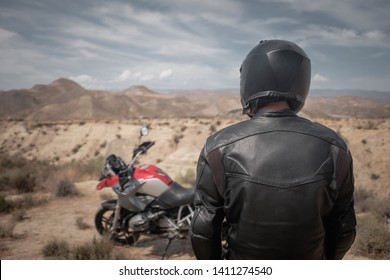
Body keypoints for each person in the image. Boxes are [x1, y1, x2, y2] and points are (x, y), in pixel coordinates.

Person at [190, 39, 356, 260]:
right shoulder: (335, 147)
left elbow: (203, 230)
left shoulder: (218, 147)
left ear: (251, 78)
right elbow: (344, 228)